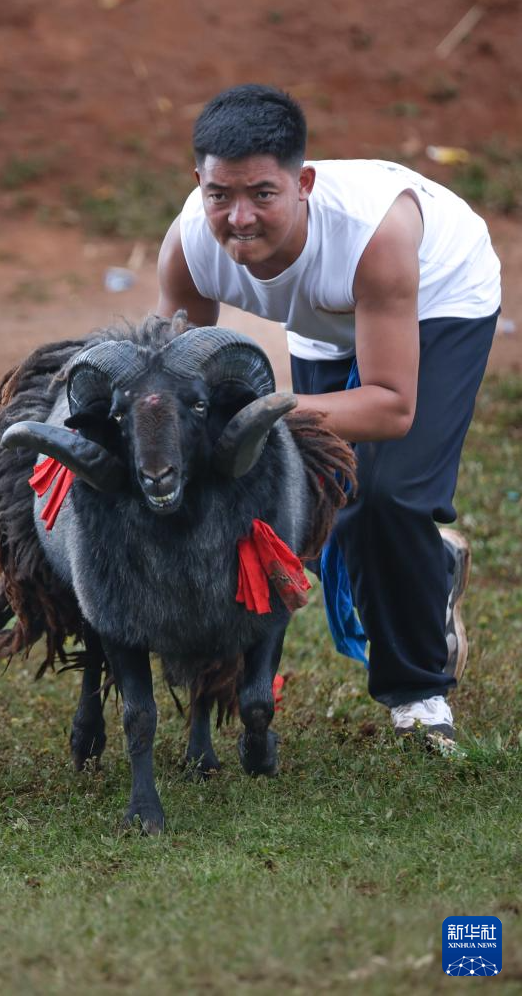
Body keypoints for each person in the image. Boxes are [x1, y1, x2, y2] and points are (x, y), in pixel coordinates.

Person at [156, 83, 501, 747]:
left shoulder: (378, 237)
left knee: (388, 495)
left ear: (303, 182)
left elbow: (391, 406)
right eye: (219, 195)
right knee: (328, 499)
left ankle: (418, 692)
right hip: (324, 315)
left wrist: (262, 411)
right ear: (197, 183)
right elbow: (172, 391)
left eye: (263, 194)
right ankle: (427, 567)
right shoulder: (189, 249)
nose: (240, 217)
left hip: (436, 294)